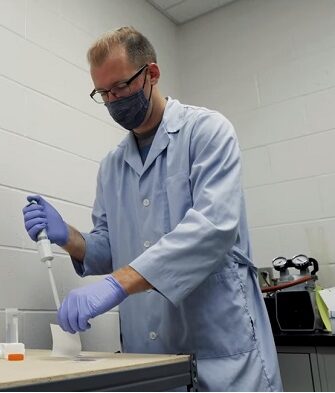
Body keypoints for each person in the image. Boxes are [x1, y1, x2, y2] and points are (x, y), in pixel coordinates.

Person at [22, 26, 283, 391]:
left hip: (221, 355)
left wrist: (117, 284)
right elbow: (111, 250)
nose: (113, 100)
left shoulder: (206, 132)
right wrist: (69, 237)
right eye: (104, 93)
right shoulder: (112, 166)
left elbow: (213, 228)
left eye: (121, 87)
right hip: (149, 361)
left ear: (152, 74)